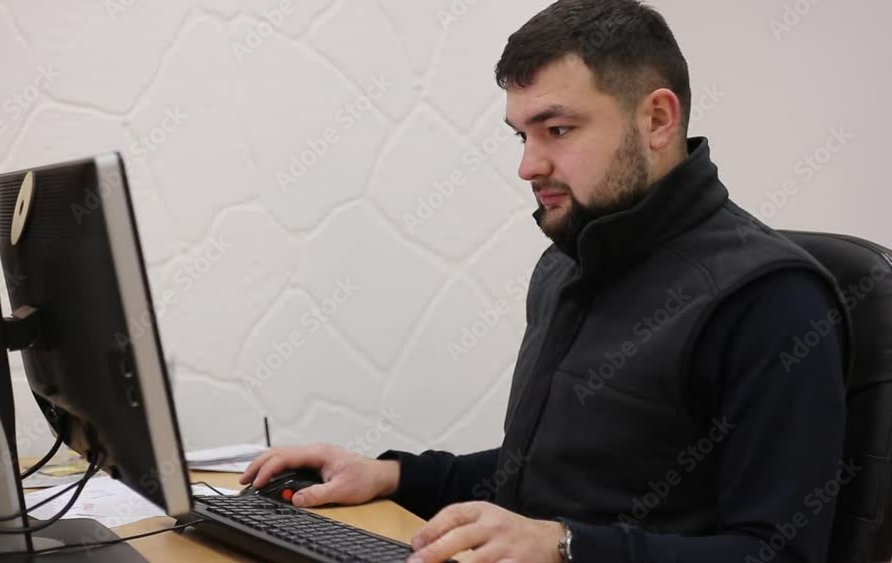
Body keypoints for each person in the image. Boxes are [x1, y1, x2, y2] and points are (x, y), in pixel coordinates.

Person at [241, 1, 850, 561]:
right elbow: (544, 475)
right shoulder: (567, 262)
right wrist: (390, 475)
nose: (528, 166)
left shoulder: (773, 300)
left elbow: (782, 553)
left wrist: (564, 545)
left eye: (557, 130)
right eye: (522, 134)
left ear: (658, 120)